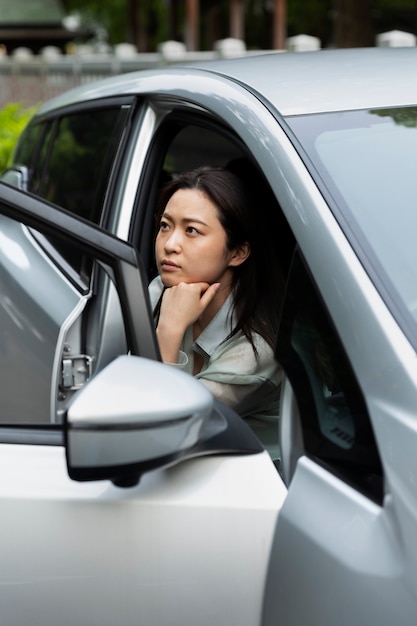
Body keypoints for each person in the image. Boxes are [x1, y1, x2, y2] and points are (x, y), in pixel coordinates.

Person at [149, 165, 283, 430]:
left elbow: (170, 430)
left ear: (237, 253)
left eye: (192, 231)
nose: (169, 244)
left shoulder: (256, 352)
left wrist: (169, 332)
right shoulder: (160, 290)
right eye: (165, 226)